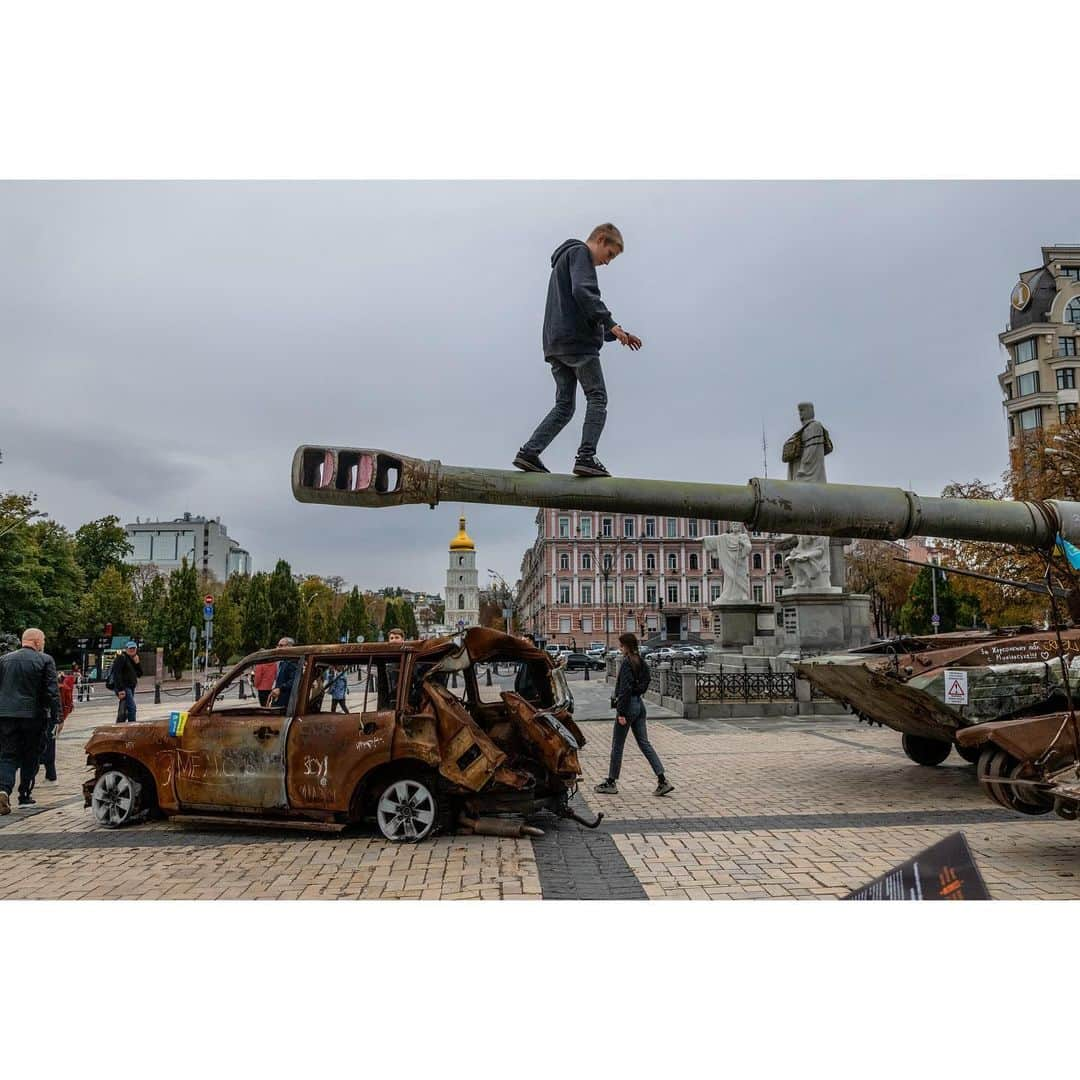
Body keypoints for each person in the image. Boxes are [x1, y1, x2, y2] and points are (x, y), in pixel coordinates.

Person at [514, 223, 642, 479]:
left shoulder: (566, 261)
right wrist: (610, 323)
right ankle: (586, 456)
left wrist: (615, 334)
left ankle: (529, 452)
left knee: (564, 406)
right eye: (610, 255)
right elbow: (584, 292)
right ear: (601, 239)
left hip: (557, 344)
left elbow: (578, 309)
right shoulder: (580, 253)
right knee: (597, 397)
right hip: (577, 346)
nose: (607, 263)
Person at [594, 632, 673, 797]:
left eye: (621, 645)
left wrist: (621, 712)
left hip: (628, 706)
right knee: (645, 743)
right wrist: (638, 692)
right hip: (639, 705)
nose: (620, 648)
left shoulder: (626, 663)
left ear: (627, 646)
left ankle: (611, 782)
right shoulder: (641, 661)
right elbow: (646, 682)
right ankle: (662, 780)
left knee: (617, 745)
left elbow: (625, 688)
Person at [0, 628, 60, 814]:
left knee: (7, 755)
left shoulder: (4, 660)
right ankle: (24, 794)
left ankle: (3, 789)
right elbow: (52, 692)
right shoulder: (45, 660)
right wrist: (57, 717)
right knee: (31, 755)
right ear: (36, 641)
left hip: (6, 715)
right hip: (33, 716)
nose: (43, 643)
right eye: (42, 640)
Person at [40, 668, 75, 783]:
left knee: (46, 745)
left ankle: (50, 775)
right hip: (52, 718)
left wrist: (59, 719)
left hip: (46, 718)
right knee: (50, 744)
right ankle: (51, 775)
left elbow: (57, 701)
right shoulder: (57, 685)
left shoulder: (55, 686)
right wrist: (60, 719)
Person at [111, 641, 142, 723]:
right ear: (126, 649)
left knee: (124, 708)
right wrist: (120, 689)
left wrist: (137, 663)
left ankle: (120, 724)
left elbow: (139, 674)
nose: (132, 650)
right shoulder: (122, 658)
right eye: (130, 648)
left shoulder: (132, 659)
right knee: (132, 708)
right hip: (124, 687)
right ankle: (132, 726)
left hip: (131, 687)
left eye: (133, 648)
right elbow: (117, 674)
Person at [267, 638, 298, 709]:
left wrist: (280, 688)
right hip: (279, 700)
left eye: (281, 645)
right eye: (277, 645)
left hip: (286, 702)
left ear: (289, 647)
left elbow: (295, 680)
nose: (278, 648)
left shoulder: (292, 662)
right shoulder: (284, 661)